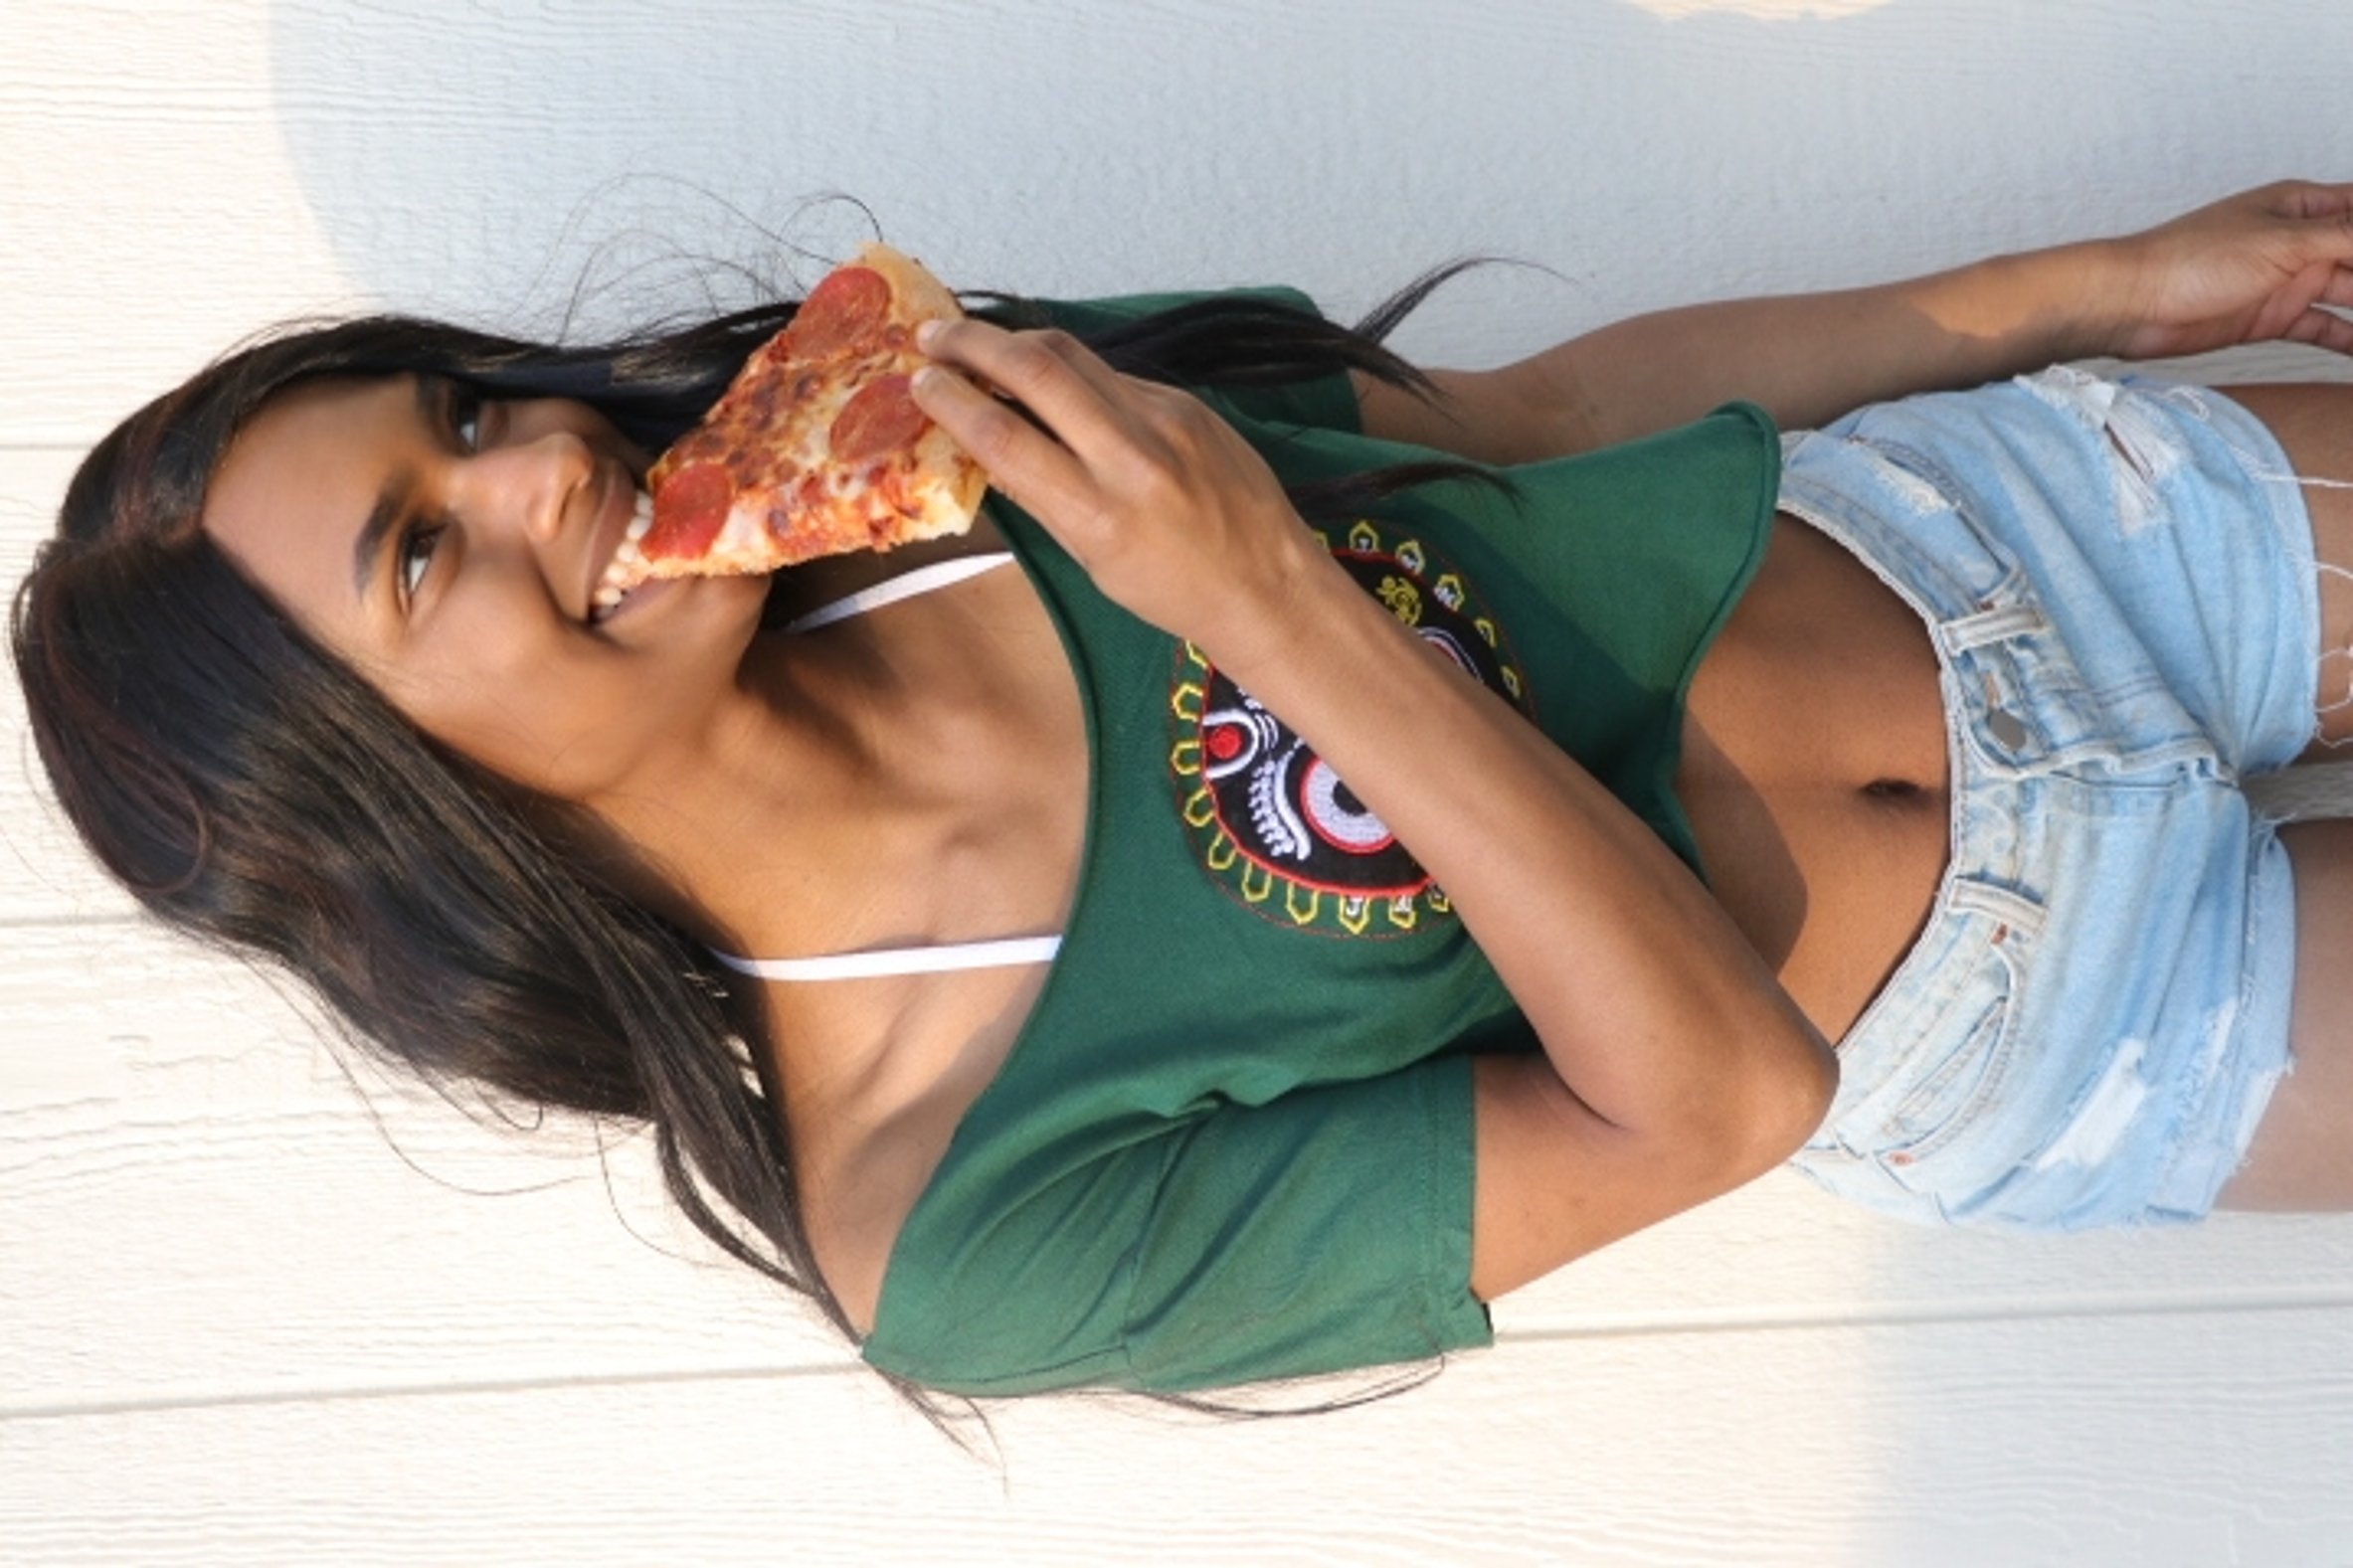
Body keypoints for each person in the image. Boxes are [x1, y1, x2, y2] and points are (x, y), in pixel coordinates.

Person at [19, 182, 2353, 1399]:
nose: (538, 457)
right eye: (425, 550)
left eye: (453, 414)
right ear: (401, 824)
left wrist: (2105, 284)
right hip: (2073, 1030)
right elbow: (1719, 1102)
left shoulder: (943, 434)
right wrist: (1260, 603)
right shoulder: (956, 1221)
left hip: (2036, 539)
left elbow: (1530, 417)